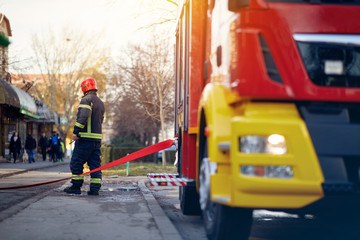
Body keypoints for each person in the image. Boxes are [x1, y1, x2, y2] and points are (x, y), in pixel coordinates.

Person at [64, 77, 105, 195]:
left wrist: (76, 132)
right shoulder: (101, 103)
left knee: (76, 162)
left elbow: (83, 117)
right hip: (96, 140)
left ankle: (76, 187)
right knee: (95, 165)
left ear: (84, 88)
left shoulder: (86, 100)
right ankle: (95, 189)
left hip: (85, 140)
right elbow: (100, 121)